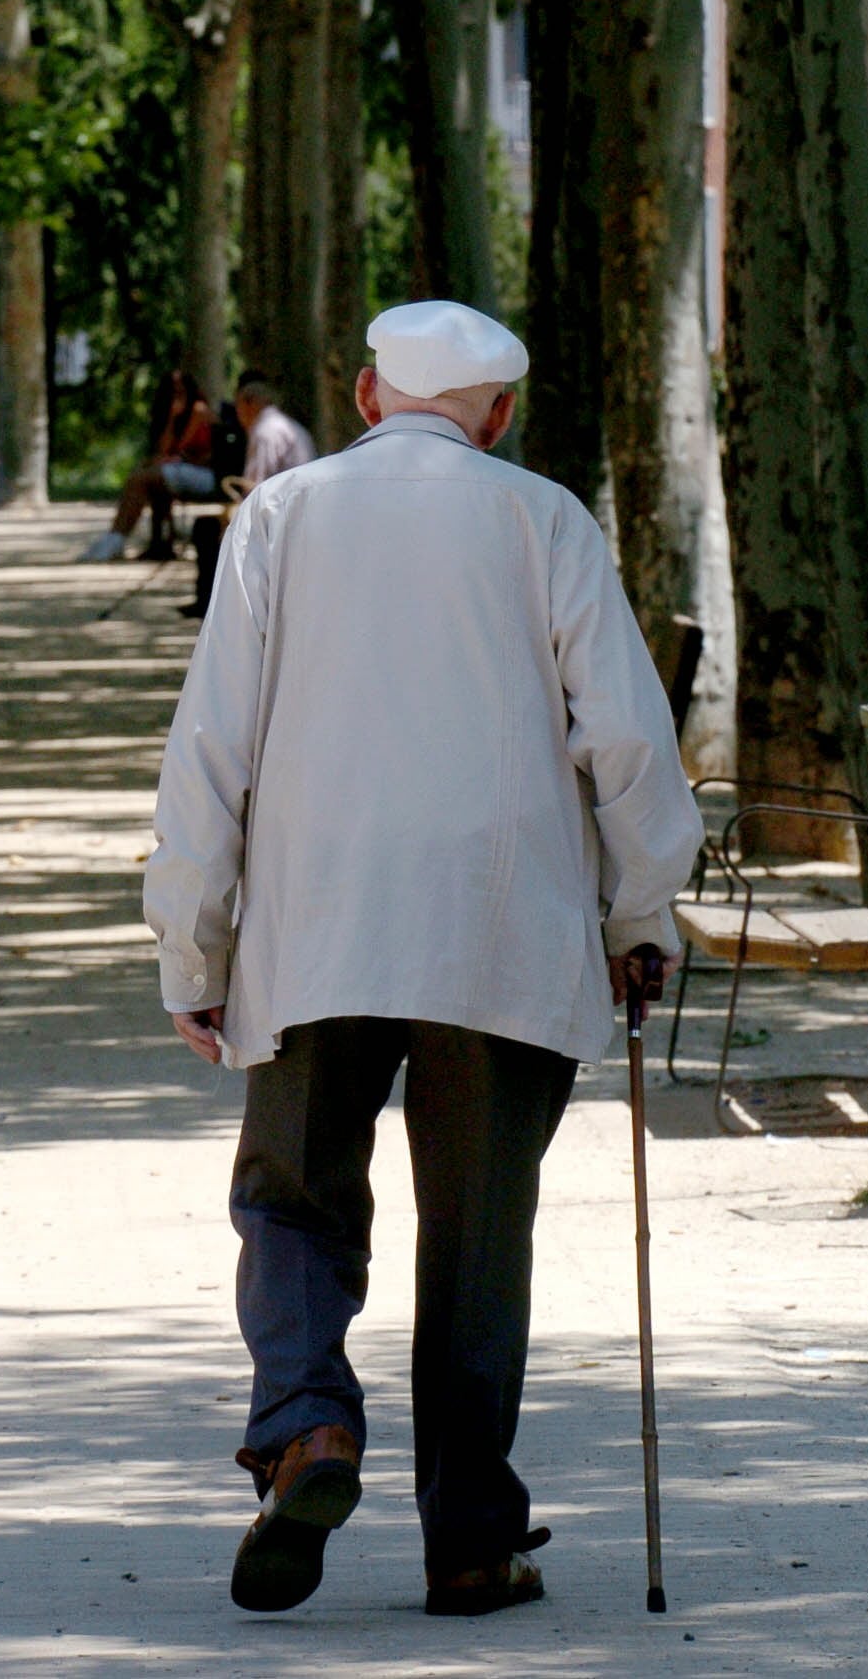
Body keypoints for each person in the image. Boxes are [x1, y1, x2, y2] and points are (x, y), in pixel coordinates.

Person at [143, 300, 703, 1618]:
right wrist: (639, 912)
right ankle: (468, 1536)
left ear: (362, 392)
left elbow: (210, 746)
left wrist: (193, 940)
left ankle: (306, 1426)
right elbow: (625, 743)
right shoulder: (545, 519)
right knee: (477, 1230)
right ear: (498, 411)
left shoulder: (279, 517)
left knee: (291, 1192)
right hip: (501, 922)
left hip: (315, 917)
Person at [180, 372, 317, 618]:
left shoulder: (265, 431)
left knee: (206, 530)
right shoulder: (285, 425)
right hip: (297, 512)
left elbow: (256, 488)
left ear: (250, 402)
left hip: (283, 519)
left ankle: (211, 604)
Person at [81, 370, 217, 563]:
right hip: (183, 468)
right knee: (141, 478)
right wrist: (171, 417)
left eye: (180, 390)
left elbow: (181, 447)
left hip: (205, 471)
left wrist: (165, 457)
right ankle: (121, 537)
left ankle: (116, 539)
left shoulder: (199, 409)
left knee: (141, 478)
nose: (177, 395)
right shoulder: (173, 414)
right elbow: (164, 448)